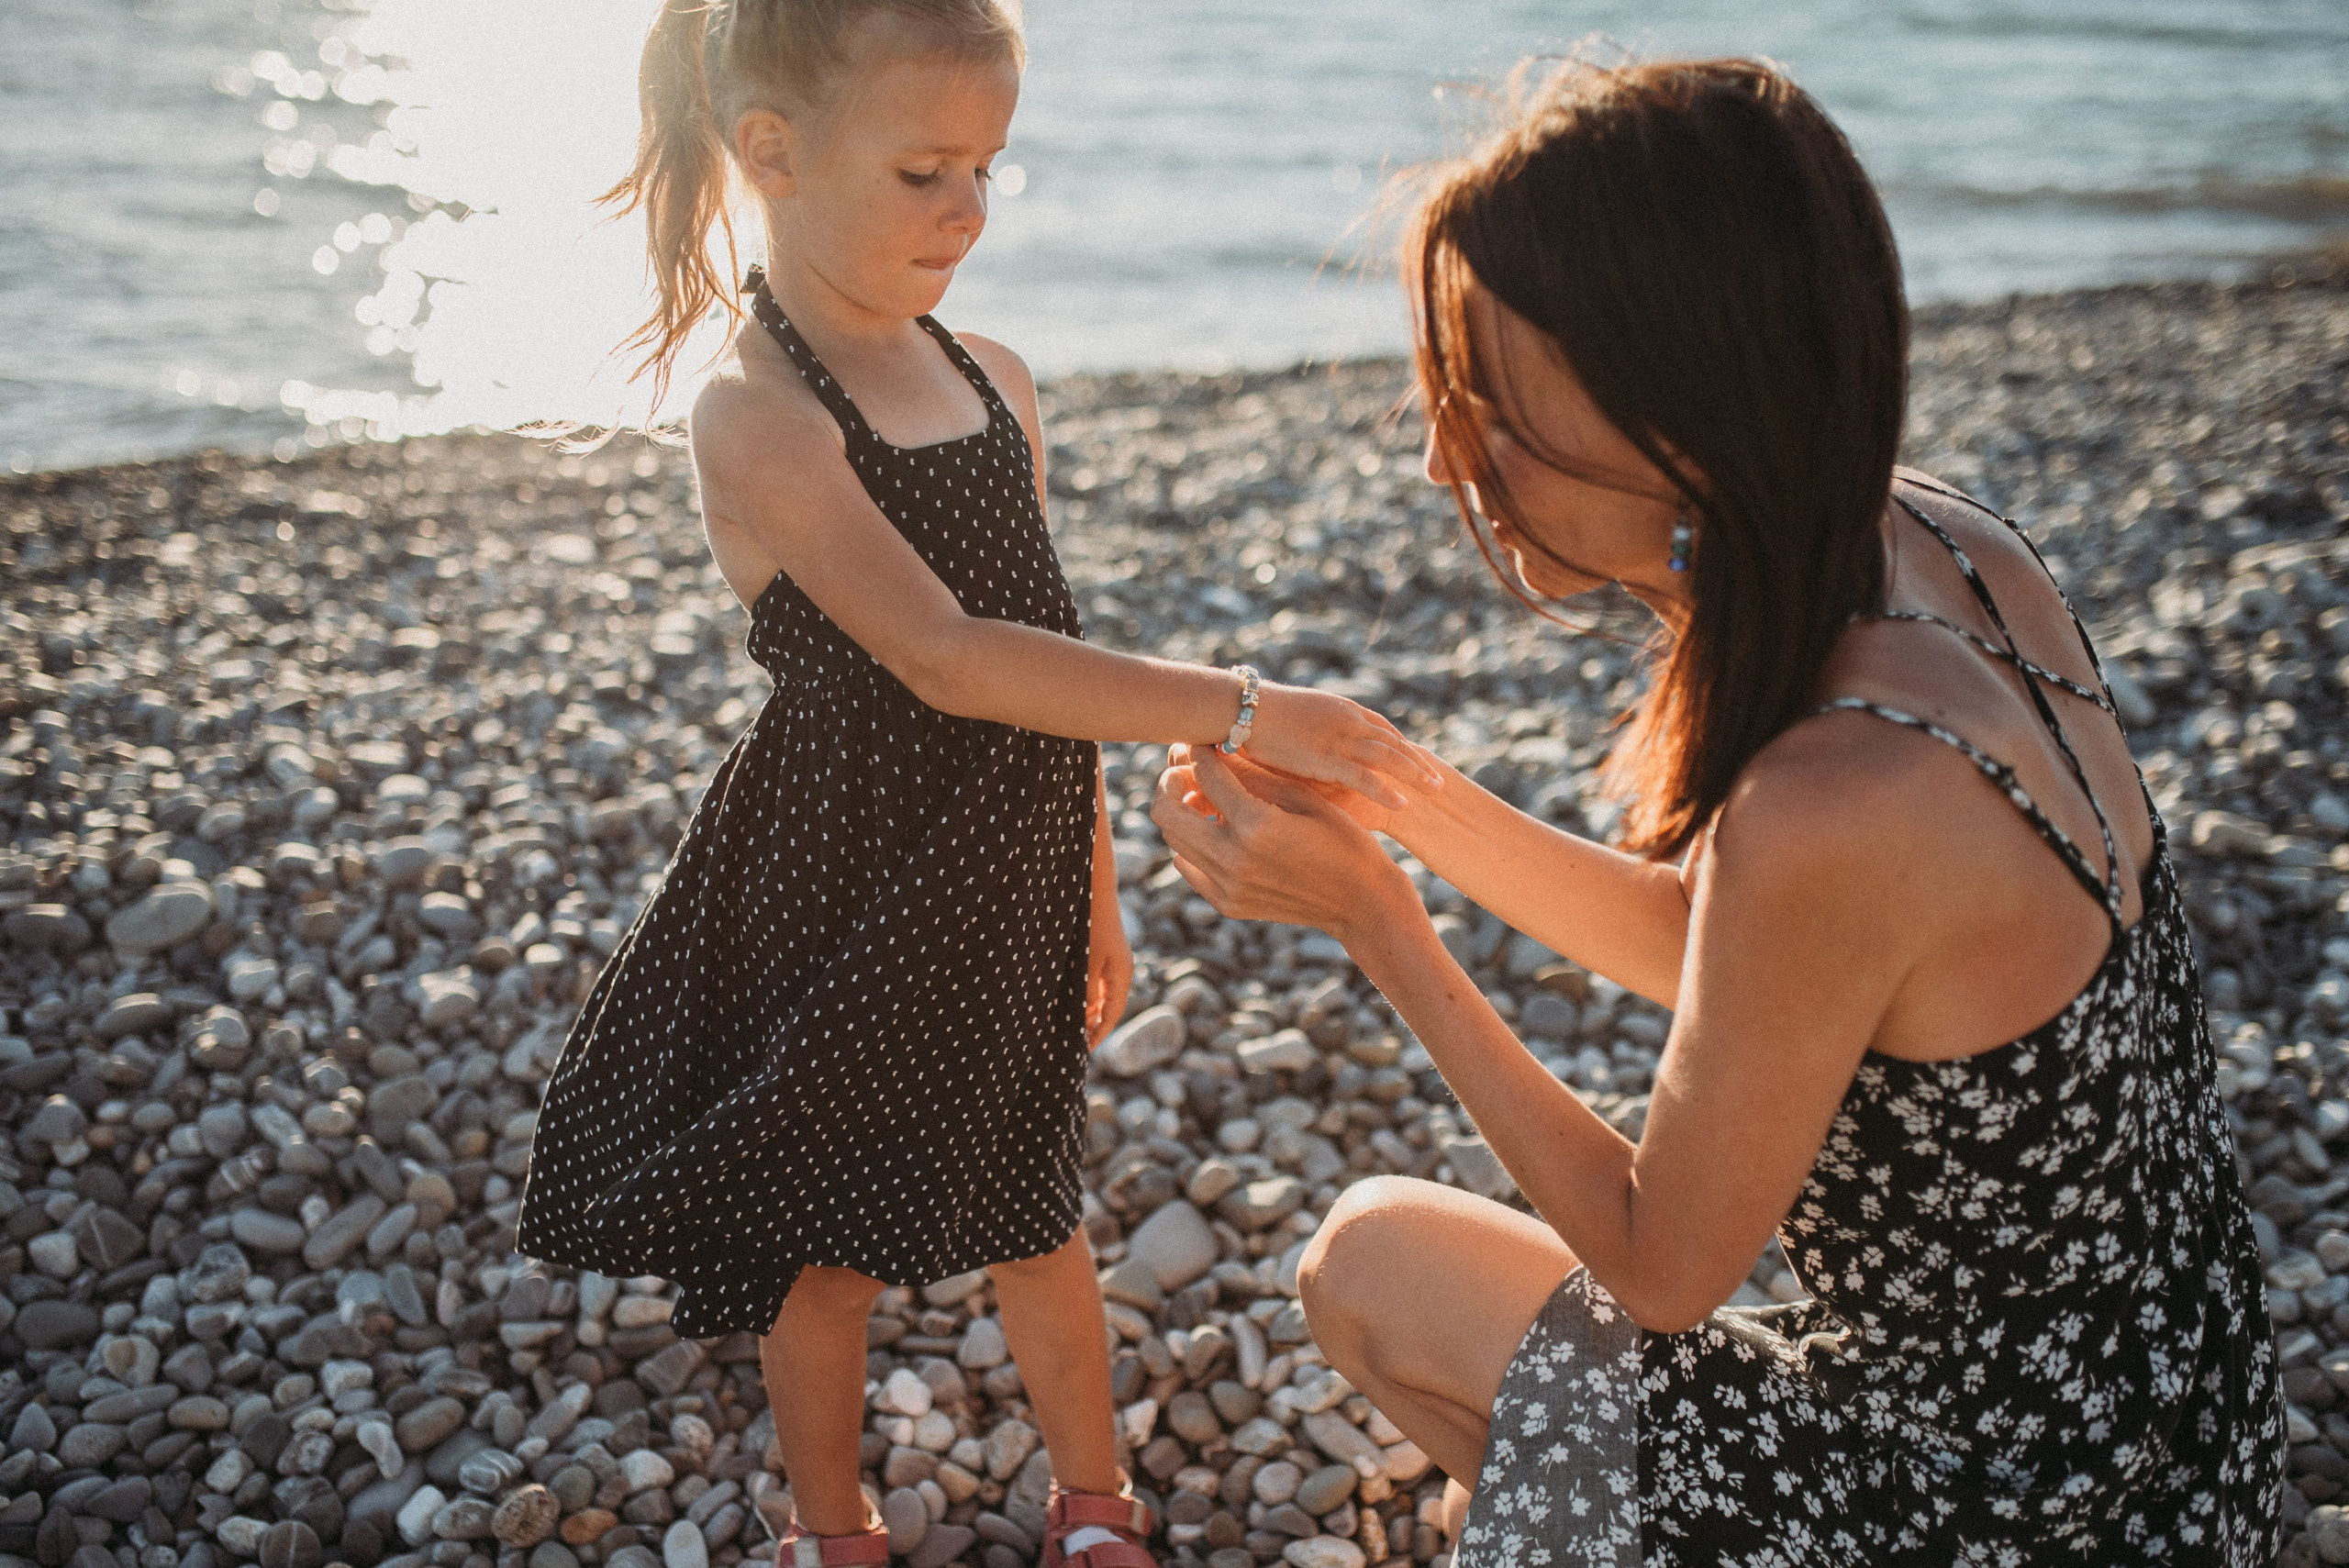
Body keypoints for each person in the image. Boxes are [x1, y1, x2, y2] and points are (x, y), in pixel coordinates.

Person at [1152, 56, 2283, 1566]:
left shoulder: (1831, 799)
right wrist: (1391, 783)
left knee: (1374, 1266)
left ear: (1674, 404)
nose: (1443, 457)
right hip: (2182, 1428)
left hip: (2032, 1510)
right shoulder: (1941, 544)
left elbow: (1661, 1262)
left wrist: (1376, 913)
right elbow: (1751, 957)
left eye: (1486, 404)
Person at [510, 6, 1436, 1565]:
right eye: (926, 168)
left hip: (1003, 867)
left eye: (991, 169)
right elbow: (946, 654)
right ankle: (834, 1527)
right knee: (829, 1249)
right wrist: (1245, 707)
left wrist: (1095, 881)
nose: (967, 210)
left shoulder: (995, 376)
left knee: (1036, 1203)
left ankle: (1097, 1504)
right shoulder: (763, 417)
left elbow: (1046, 662)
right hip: (849, 878)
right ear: (772, 155)